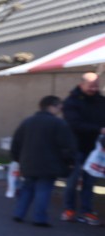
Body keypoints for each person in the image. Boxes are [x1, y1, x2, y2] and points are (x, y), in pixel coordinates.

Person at [10, 96, 78, 227]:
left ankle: (19, 213)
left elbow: (16, 143)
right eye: (59, 106)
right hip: (49, 164)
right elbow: (67, 146)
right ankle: (39, 218)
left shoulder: (27, 122)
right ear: (53, 106)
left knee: (27, 189)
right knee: (44, 190)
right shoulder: (59, 124)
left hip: (28, 163)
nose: (60, 109)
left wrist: (17, 159)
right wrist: (70, 161)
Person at [61, 72, 105, 225]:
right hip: (75, 147)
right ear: (81, 85)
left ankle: (87, 211)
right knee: (72, 181)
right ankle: (69, 210)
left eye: (96, 86)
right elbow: (74, 124)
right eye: (91, 86)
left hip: (95, 149)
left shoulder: (101, 101)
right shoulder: (71, 102)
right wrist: (99, 129)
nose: (94, 89)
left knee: (90, 181)